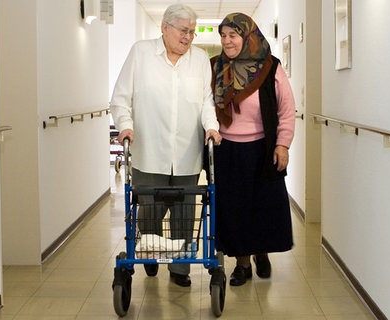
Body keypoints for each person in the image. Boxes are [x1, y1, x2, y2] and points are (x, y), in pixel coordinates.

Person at [109, 3, 221, 287]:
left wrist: (212, 126)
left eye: (192, 32)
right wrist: (125, 125)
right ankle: (150, 256)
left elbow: (206, 102)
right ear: (165, 28)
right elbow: (120, 97)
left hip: (187, 153)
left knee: (185, 214)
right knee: (149, 211)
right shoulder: (141, 53)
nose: (188, 37)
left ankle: (179, 270)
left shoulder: (199, 59)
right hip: (150, 150)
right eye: (183, 31)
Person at [210, 12, 296, 286]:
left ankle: (262, 251)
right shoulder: (214, 67)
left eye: (233, 35)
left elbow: (286, 109)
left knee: (263, 207)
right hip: (227, 150)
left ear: (248, 36)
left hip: (263, 148)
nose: (227, 41)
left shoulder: (270, 67)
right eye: (223, 36)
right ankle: (242, 264)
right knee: (234, 209)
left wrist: (283, 144)